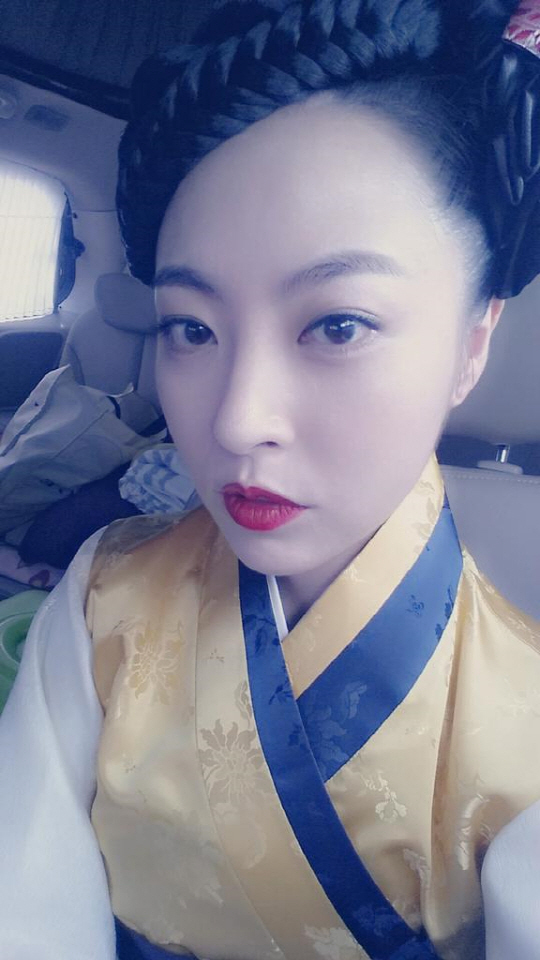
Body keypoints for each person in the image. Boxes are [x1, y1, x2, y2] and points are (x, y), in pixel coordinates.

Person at [0, 1, 539, 958]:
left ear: (472, 343)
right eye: (191, 329)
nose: (235, 419)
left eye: (338, 324)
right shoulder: (102, 597)